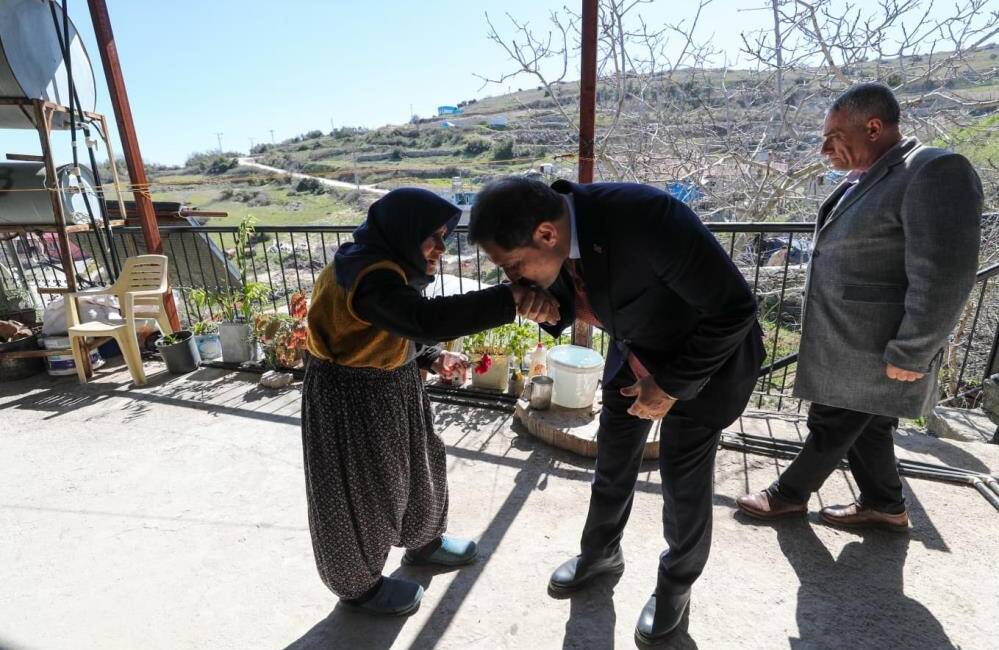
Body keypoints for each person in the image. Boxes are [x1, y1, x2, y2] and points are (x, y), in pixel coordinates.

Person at [468, 177, 765, 643]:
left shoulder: (646, 218)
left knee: (683, 486)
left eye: (513, 266)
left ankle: (676, 585)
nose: (514, 279)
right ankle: (601, 553)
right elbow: (592, 289)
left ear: (546, 234)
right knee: (612, 461)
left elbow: (734, 310)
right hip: (636, 350)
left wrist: (669, 386)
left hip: (704, 364)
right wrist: (553, 310)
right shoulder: (563, 232)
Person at [737, 83, 983, 531]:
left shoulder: (933, 170)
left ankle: (788, 495)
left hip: (878, 343)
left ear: (873, 127)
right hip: (852, 341)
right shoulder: (872, 176)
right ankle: (885, 505)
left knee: (833, 422)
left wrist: (914, 349)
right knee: (867, 427)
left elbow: (946, 273)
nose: (823, 146)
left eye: (834, 135)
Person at [302, 188, 557, 616]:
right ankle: (358, 587)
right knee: (360, 492)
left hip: (393, 387)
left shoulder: (389, 268)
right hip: (352, 400)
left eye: (444, 235)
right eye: (432, 235)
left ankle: (424, 542)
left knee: (421, 464)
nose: (440, 246)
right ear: (403, 231)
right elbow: (423, 319)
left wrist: (431, 356)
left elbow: (392, 328)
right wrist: (509, 298)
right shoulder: (368, 274)